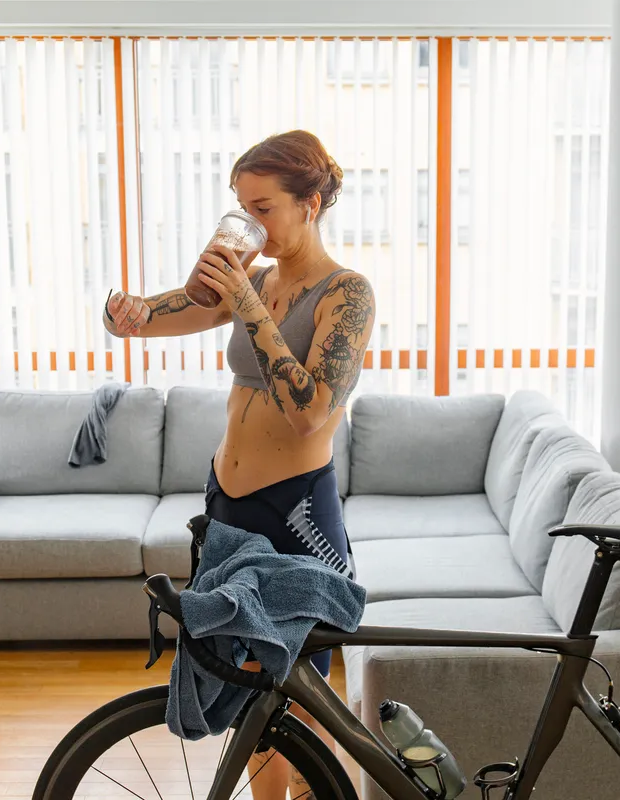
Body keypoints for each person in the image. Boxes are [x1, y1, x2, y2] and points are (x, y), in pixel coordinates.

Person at [103, 130, 375, 799]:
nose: (251, 223)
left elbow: (310, 411)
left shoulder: (347, 294)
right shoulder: (251, 278)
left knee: (300, 696)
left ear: (310, 203)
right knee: (247, 683)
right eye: (241, 208)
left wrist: (248, 303)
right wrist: (124, 315)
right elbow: (164, 315)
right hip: (229, 505)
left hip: (297, 514)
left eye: (264, 208)